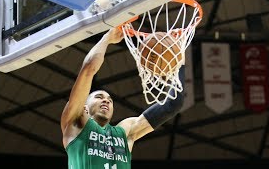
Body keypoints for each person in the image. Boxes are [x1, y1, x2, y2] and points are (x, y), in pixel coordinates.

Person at [61, 27, 186, 169]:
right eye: (99, 97)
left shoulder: (124, 133)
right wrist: (107, 38)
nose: (106, 100)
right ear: (85, 107)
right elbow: (89, 68)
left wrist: (178, 57)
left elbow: (173, 104)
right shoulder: (74, 124)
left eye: (110, 100)